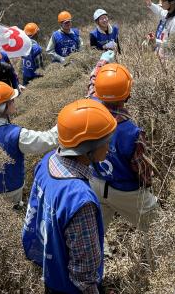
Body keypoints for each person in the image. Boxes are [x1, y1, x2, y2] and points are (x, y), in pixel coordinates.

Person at [23, 99, 116, 294]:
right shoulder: (79, 199)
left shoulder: (47, 162)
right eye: (106, 140)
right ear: (87, 148)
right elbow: (84, 272)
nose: (109, 145)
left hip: (52, 272)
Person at [90, 63, 158, 255]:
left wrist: (97, 70)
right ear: (127, 94)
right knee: (157, 229)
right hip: (127, 191)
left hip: (95, 182)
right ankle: (160, 270)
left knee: (95, 232)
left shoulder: (91, 112)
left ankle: (95, 267)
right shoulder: (132, 132)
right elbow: (141, 169)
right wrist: (148, 184)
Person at [0, 81, 58, 205]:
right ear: (2, 106)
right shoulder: (16, 135)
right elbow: (46, 140)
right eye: (11, 101)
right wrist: (61, 127)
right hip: (10, 191)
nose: (14, 102)